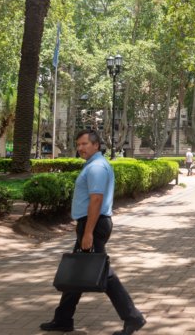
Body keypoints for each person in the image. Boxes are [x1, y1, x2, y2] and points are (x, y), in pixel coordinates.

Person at [41, 131, 146, 334]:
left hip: (94, 225)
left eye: (85, 144)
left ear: (96, 145)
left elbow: (96, 200)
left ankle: (133, 317)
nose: (80, 148)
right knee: (78, 269)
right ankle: (63, 318)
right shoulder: (94, 164)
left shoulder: (96, 167)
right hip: (92, 224)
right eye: (78, 144)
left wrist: (88, 232)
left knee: (103, 272)